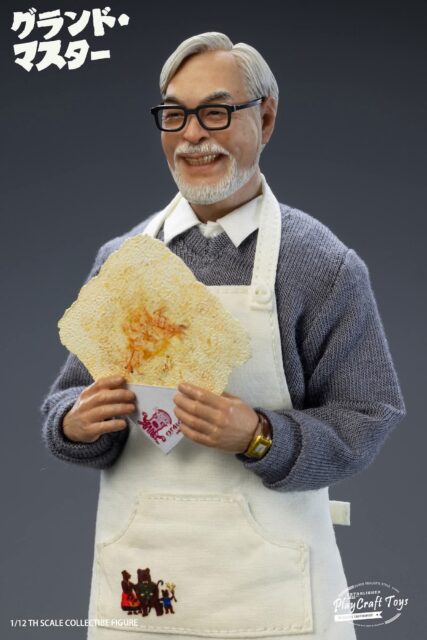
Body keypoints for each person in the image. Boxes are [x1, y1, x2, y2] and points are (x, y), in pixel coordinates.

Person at [41, 32, 406, 640]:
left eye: (216, 112)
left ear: (266, 118)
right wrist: (75, 423)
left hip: (272, 582)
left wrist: (260, 436)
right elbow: (70, 396)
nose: (192, 135)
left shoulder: (321, 265)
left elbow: (367, 416)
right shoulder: (122, 261)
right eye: (175, 114)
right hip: (145, 581)